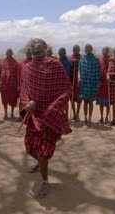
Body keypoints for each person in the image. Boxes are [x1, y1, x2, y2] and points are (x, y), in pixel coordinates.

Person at [19, 38, 72, 198]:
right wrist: (27, 103)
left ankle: (45, 182)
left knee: (42, 152)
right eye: (34, 50)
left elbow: (66, 89)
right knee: (29, 148)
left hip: (48, 117)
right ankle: (42, 163)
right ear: (31, 51)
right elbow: (24, 90)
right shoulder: (27, 68)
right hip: (33, 115)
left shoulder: (55, 65)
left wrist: (53, 107)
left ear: (46, 49)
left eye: (40, 50)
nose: (37, 53)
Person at [78, 44, 101, 126]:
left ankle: (90, 119)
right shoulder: (82, 59)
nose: (87, 50)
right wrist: (79, 78)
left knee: (90, 102)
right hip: (84, 83)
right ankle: (85, 118)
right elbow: (79, 70)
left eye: (89, 48)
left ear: (91, 49)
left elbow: (98, 71)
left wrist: (98, 82)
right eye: (86, 48)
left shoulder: (95, 59)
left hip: (93, 84)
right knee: (85, 102)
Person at [0, 48, 19, 120]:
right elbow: (0, 73)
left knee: (13, 99)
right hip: (4, 85)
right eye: (7, 52)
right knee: (5, 99)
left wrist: (18, 85)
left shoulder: (16, 63)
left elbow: (18, 75)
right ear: (6, 53)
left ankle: (12, 113)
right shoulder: (2, 62)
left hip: (13, 84)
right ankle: (5, 113)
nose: (9, 53)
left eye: (10, 52)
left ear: (12, 53)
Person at [97, 47, 111, 125]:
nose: (104, 51)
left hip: (108, 83)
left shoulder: (111, 60)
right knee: (101, 102)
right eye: (103, 50)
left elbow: (111, 70)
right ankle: (101, 117)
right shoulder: (99, 59)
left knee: (107, 103)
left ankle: (106, 118)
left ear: (108, 51)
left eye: (106, 50)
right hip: (101, 83)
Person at [70, 45, 82, 122]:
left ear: (79, 50)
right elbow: (69, 67)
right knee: (72, 97)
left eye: (76, 49)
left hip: (79, 81)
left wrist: (78, 62)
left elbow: (82, 67)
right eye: (74, 49)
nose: (75, 51)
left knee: (79, 98)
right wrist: (72, 62)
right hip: (72, 80)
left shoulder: (81, 57)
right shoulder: (71, 57)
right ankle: (74, 114)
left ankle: (77, 114)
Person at [59, 48, 71, 118]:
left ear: (64, 53)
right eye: (59, 53)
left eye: (61, 53)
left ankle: (66, 115)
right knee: (59, 101)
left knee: (65, 100)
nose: (60, 55)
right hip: (58, 84)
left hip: (65, 84)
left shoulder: (68, 62)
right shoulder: (57, 61)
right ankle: (61, 114)